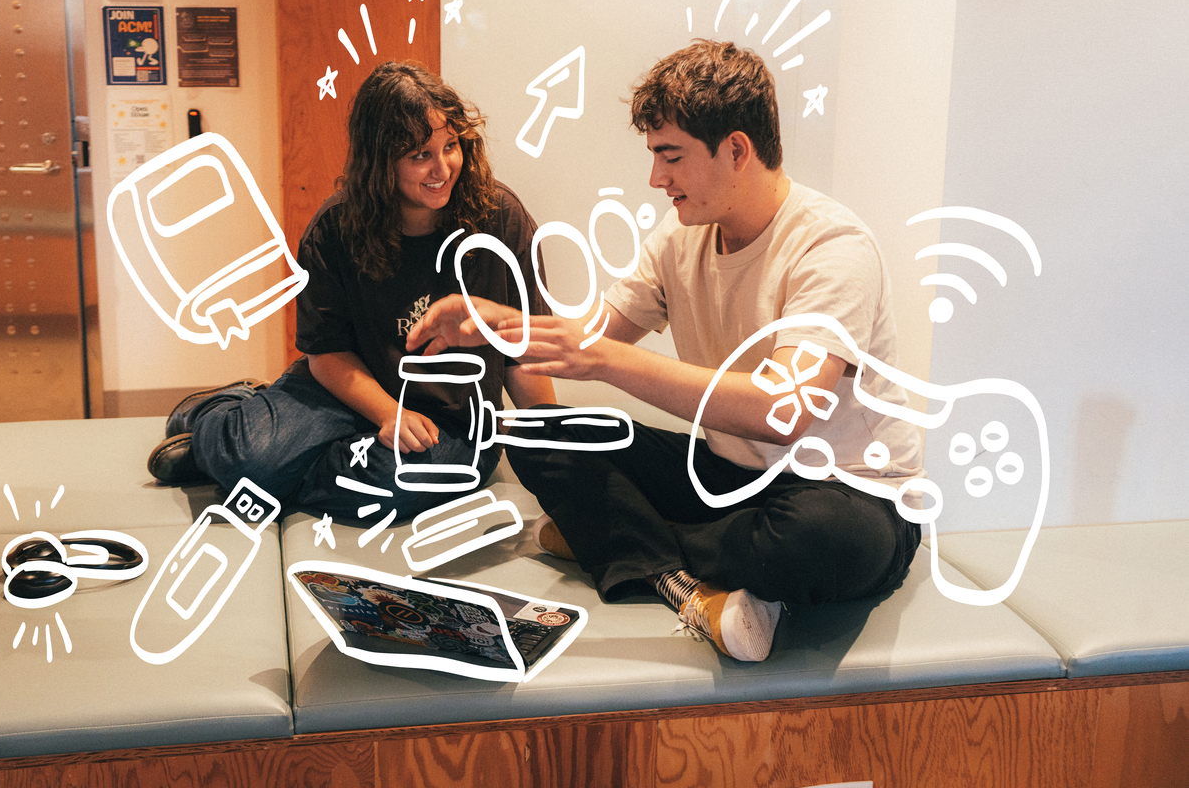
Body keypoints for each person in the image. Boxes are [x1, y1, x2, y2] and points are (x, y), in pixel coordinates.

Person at [407, 40, 923, 662]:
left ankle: (622, 543)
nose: (657, 179)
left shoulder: (833, 247)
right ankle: (686, 579)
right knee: (540, 436)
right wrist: (499, 327)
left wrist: (604, 361)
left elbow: (783, 412)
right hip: (735, 478)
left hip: (845, 493)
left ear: (735, 149)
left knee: (814, 538)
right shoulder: (681, 240)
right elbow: (594, 339)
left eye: (670, 157)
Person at [149, 61, 554, 521]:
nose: (442, 168)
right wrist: (386, 413)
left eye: (451, 146)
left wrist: (558, 455)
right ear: (380, 160)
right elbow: (327, 353)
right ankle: (219, 416)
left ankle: (266, 470)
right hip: (346, 393)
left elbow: (526, 350)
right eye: (420, 154)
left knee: (394, 489)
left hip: (452, 420)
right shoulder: (334, 228)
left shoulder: (501, 217)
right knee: (255, 455)